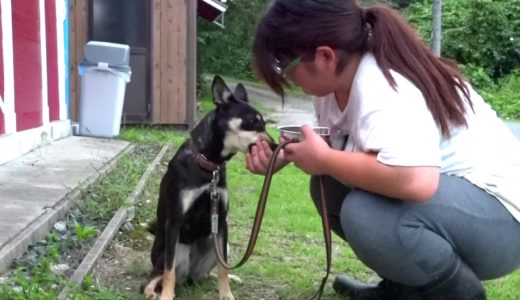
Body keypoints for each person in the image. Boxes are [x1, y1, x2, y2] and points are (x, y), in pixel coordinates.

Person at [245, 0, 520, 299]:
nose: (286, 76)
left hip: (503, 224)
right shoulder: (333, 84)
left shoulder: (383, 83)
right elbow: (352, 147)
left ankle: (461, 295)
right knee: (330, 186)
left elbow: (416, 180)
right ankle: (401, 289)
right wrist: (287, 154)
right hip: (461, 209)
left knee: (365, 212)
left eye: (285, 65)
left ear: (325, 55)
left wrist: (324, 159)